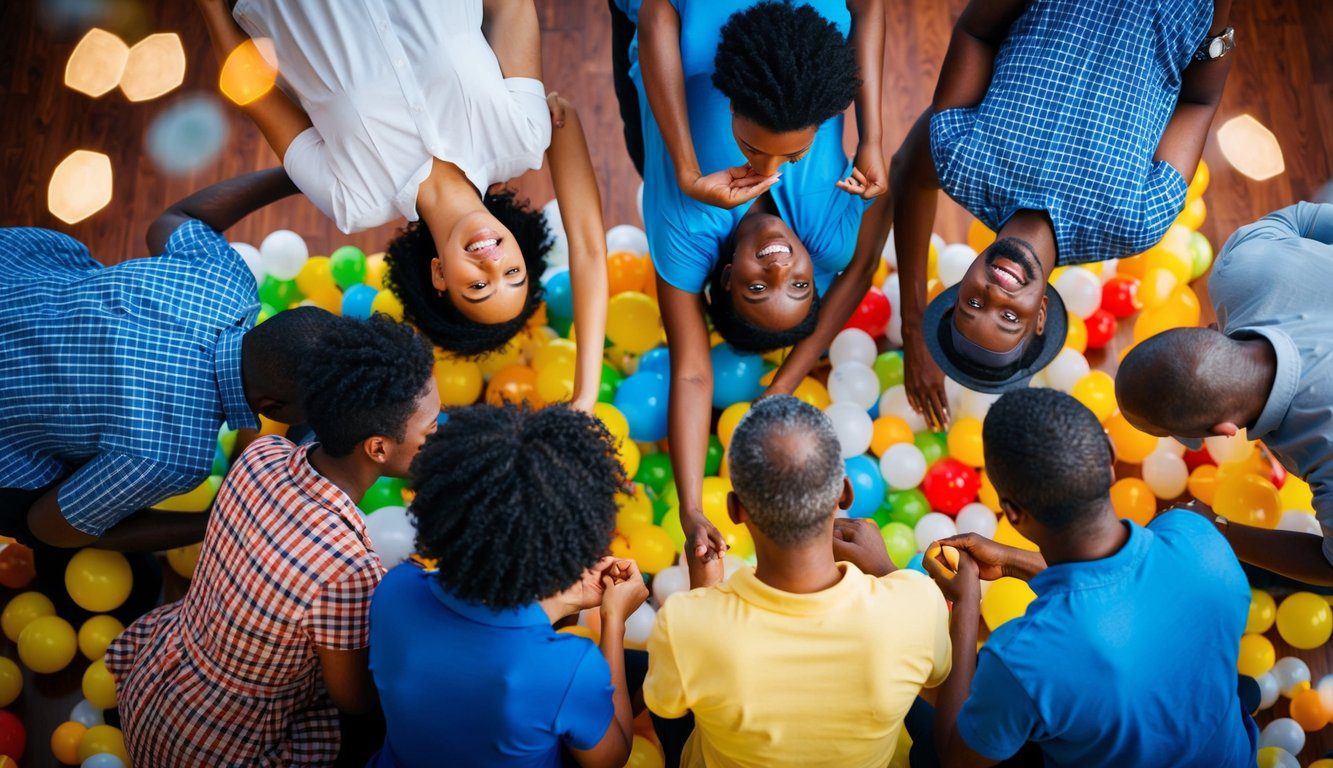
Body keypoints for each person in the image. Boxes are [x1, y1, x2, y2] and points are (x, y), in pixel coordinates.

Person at [610, 0, 894, 574]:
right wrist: (872, 137)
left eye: (758, 291)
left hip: (671, 43)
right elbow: (868, 7)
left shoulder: (685, 233)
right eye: (799, 286)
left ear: (725, 276)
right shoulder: (830, 227)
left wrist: (692, 508)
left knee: (645, 141)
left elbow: (657, 14)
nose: (778, 269)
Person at [197, 0, 610, 382]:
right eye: (513, 273)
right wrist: (585, 392)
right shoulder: (523, 135)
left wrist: (211, 7)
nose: (493, 266)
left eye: (479, 287)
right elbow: (511, 6)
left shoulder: (353, 202)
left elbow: (254, 93)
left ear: (440, 275)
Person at [105, 314, 440, 767]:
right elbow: (353, 700)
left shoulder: (262, 454)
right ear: (378, 449)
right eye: (431, 430)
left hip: (156, 688)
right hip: (214, 750)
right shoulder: (349, 569)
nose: (438, 436)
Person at [0, 168, 329, 623]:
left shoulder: (228, 281)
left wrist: (298, 173)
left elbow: (174, 218)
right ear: (271, 409)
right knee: (108, 566)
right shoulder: (175, 455)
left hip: (17, 280)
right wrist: (218, 521)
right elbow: (47, 527)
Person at [892, 0, 1234, 426]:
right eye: (1010, 317)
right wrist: (1222, 15)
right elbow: (1198, 102)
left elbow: (975, 35)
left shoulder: (961, 160)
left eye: (972, 303)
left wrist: (912, 325)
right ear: (1040, 317)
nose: (996, 295)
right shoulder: (1134, 223)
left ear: (959, 285)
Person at [915, 388, 1255, 768]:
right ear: (1110, 459)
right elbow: (1120, 594)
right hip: (1228, 752)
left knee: (924, 746)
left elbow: (955, 759)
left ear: (1012, 513)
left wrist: (965, 607)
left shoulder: (1021, 659)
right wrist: (1012, 562)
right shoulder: (1198, 537)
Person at [643, 395, 951, 768]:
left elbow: (668, 705)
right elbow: (943, 688)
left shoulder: (684, 623)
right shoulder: (917, 603)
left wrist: (705, 595)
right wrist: (888, 570)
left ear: (735, 510)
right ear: (845, 493)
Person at [367, 403, 648, 768]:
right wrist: (614, 622)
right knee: (641, 667)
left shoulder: (396, 590)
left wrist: (561, 602)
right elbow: (611, 758)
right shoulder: (568, 667)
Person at [1117, 202, 1333, 585]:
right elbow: (1303, 219)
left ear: (1225, 430)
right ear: (1213, 330)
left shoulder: (1323, 450)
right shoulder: (1240, 268)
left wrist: (1220, 530)